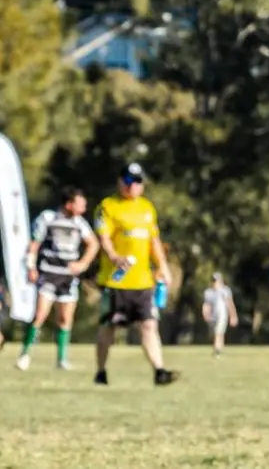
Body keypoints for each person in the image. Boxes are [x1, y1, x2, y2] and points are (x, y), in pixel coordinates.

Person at [92, 163, 179, 386]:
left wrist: (163, 266)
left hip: (142, 281)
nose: (133, 186)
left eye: (138, 182)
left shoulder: (147, 208)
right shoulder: (108, 206)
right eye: (129, 181)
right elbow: (104, 238)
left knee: (149, 325)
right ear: (120, 182)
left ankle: (159, 371)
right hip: (116, 280)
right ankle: (101, 371)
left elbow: (154, 240)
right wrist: (113, 256)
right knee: (108, 328)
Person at [20, 189, 99, 371]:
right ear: (69, 204)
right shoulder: (48, 218)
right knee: (40, 314)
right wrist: (31, 266)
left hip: (68, 277)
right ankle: (25, 354)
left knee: (65, 318)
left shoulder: (80, 223)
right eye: (80, 204)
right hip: (49, 273)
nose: (84, 208)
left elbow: (93, 243)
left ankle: (62, 359)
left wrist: (83, 263)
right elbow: (34, 243)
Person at [202, 273, 238, 358]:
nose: (215, 283)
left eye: (216, 281)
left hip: (222, 315)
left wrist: (233, 316)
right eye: (214, 281)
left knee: (218, 332)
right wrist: (205, 313)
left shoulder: (225, 290)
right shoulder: (208, 292)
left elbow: (229, 303)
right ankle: (219, 349)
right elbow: (206, 304)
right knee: (217, 333)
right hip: (213, 316)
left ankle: (217, 350)